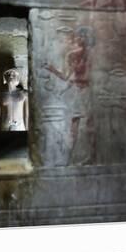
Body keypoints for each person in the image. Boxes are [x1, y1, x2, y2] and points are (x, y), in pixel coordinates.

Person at [45, 26, 96, 165]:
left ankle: (90, 157)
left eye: (83, 36)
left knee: (88, 126)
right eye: (78, 36)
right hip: (77, 92)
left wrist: (75, 79)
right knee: (74, 127)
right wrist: (52, 69)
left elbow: (87, 77)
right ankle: (71, 158)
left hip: (86, 92)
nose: (80, 39)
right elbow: (66, 76)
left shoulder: (90, 54)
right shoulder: (71, 55)